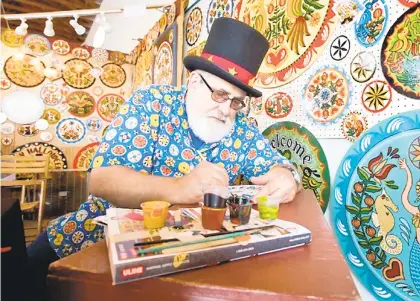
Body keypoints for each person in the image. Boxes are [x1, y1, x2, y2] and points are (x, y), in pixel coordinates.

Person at [26, 17, 301, 299]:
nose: (226, 109)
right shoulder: (151, 103)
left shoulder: (241, 129)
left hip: (185, 262)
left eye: (235, 101)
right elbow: (102, 180)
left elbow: (277, 165)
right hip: (91, 244)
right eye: (219, 93)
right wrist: (180, 188)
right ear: (195, 80)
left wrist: (286, 175)